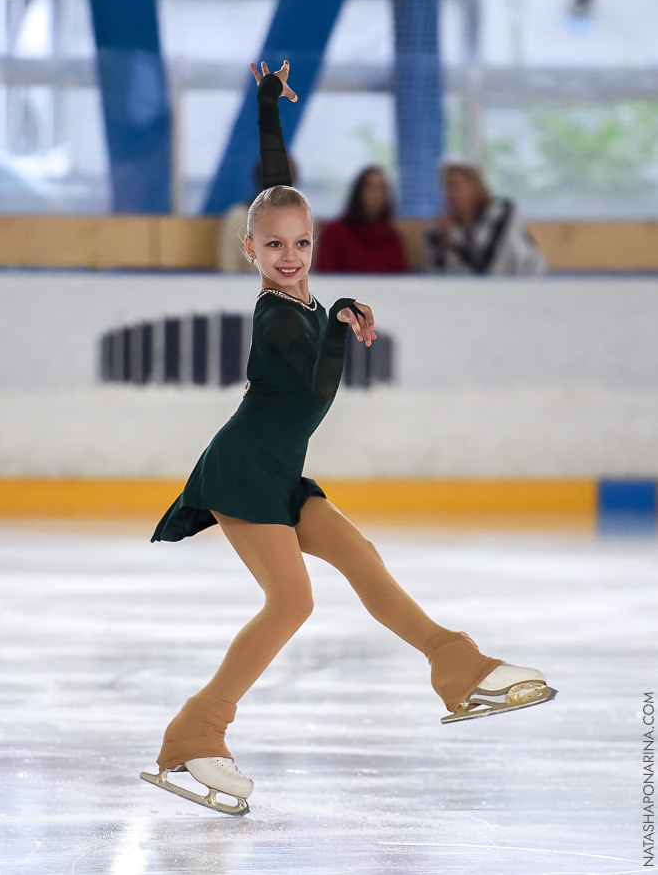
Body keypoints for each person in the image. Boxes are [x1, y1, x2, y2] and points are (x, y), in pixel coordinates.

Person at [141, 61, 556, 816]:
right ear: (250, 253)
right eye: (273, 247)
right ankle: (195, 731)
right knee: (289, 605)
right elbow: (312, 376)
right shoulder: (277, 314)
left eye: (299, 243)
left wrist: (268, 106)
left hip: (278, 471)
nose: (289, 255)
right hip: (244, 471)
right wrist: (337, 320)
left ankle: (454, 664)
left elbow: (273, 187)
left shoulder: (300, 288)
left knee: (357, 554)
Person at [425, 162, 546, 275]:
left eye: (455, 186)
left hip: (523, 286)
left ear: (475, 188)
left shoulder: (501, 216)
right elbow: (434, 278)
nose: (449, 194)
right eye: (446, 187)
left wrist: (456, 245)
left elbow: (488, 267)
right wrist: (441, 249)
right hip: (469, 294)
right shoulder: (440, 230)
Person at [316, 166, 408, 274]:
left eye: (381, 188)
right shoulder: (334, 234)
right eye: (371, 187)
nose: (376, 195)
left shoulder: (393, 240)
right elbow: (326, 279)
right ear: (358, 192)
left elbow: (400, 282)